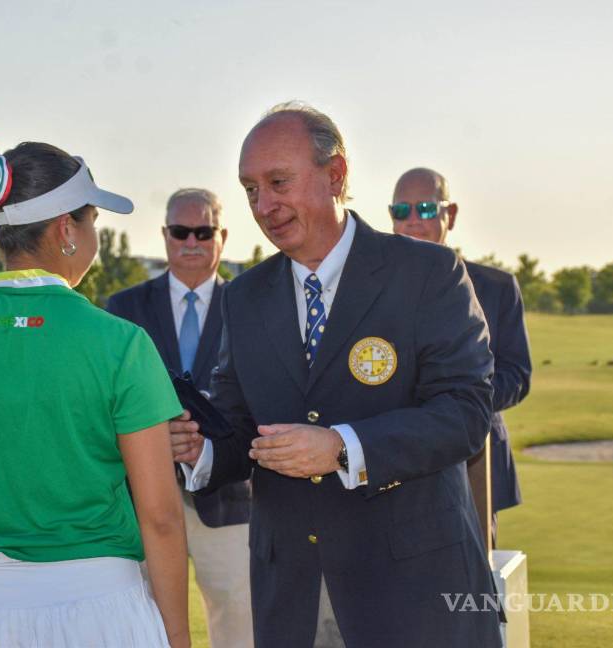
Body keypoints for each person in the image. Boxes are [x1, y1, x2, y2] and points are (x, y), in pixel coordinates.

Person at [170, 104, 503, 647]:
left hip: (414, 593)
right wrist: (198, 447)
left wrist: (343, 447)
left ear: (337, 175)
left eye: (279, 182)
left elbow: (466, 413)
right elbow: (238, 420)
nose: (264, 205)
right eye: (251, 189)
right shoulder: (245, 296)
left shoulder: (425, 273)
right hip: (293, 597)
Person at [0, 140, 190, 648]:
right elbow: (160, 517)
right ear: (64, 230)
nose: (95, 235)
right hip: (101, 612)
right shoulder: (120, 342)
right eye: (92, 219)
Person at [106, 188, 253, 648]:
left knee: (240, 619)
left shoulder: (251, 306)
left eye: (203, 232)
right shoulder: (124, 309)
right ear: (165, 235)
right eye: (180, 231)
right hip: (143, 495)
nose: (191, 241)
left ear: (222, 236)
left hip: (229, 498)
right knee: (144, 621)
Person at [389, 167, 531, 544]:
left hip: (476, 460)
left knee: (473, 592)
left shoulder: (497, 288)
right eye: (401, 211)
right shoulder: (372, 291)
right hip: (395, 462)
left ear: (449, 214)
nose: (413, 221)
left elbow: (517, 374)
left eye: (425, 208)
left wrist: (455, 408)